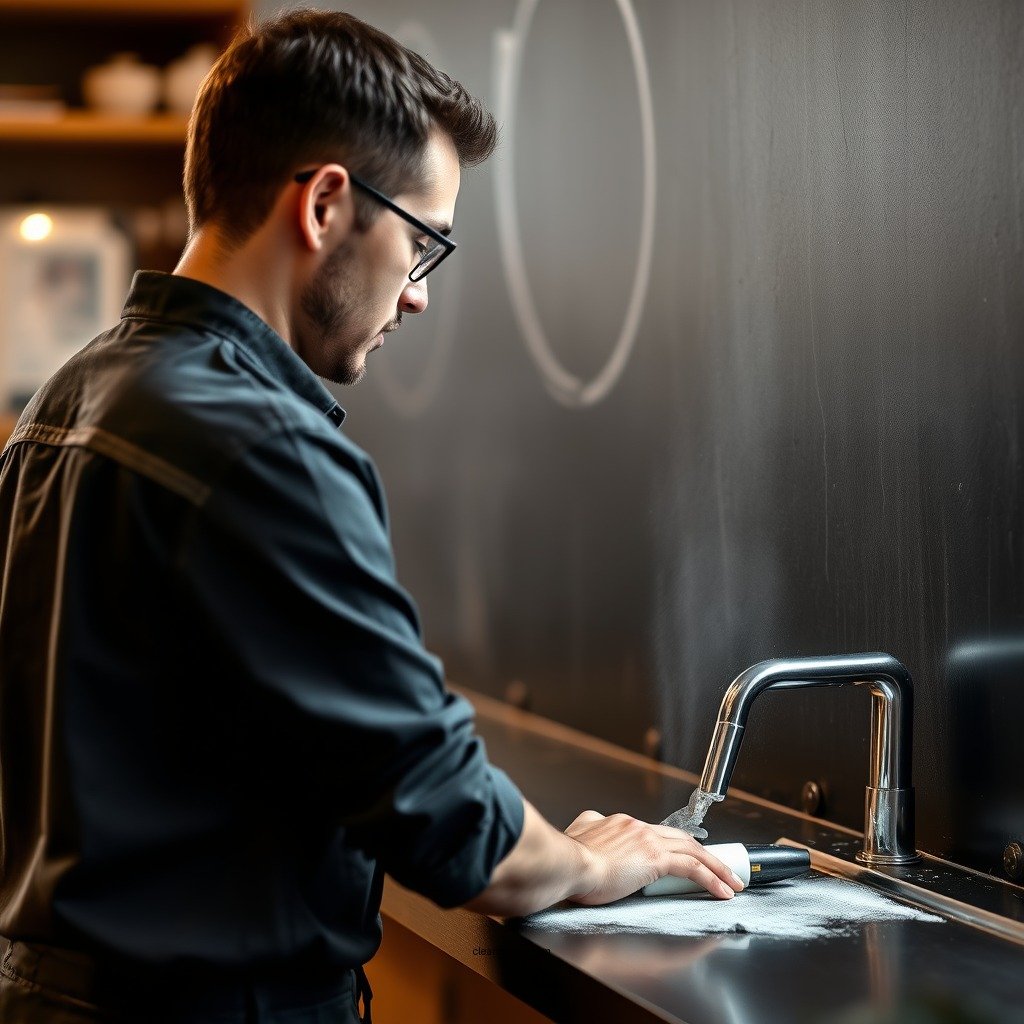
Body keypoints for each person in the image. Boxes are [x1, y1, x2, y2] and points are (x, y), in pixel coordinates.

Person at [0, 8, 742, 1023]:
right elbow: (448, 821)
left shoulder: (69, 397)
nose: (419, 295)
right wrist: (584, 860)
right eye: (424, 240)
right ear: (326, 204)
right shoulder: (264, 446)